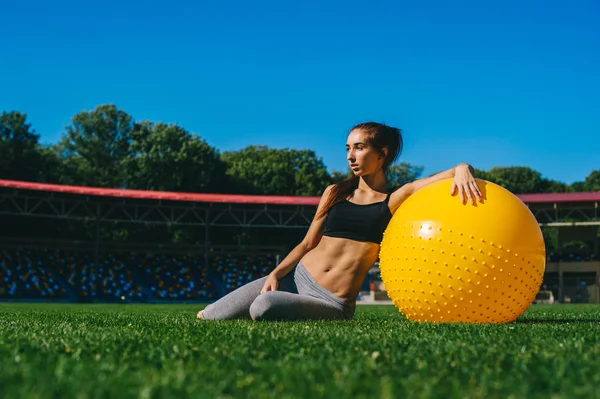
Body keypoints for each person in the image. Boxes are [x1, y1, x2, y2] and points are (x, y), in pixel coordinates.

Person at [197, 122, 482, 321]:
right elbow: (308, 243)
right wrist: (275, 274)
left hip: (331, 301)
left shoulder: (394, 199)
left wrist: (462, 168)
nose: (350, 156)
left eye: (359, 148)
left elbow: (439, 178)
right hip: (294, 280)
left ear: (382, 153)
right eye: (348, 148)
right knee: (210, 315)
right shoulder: (335, 192)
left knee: (263, 306)